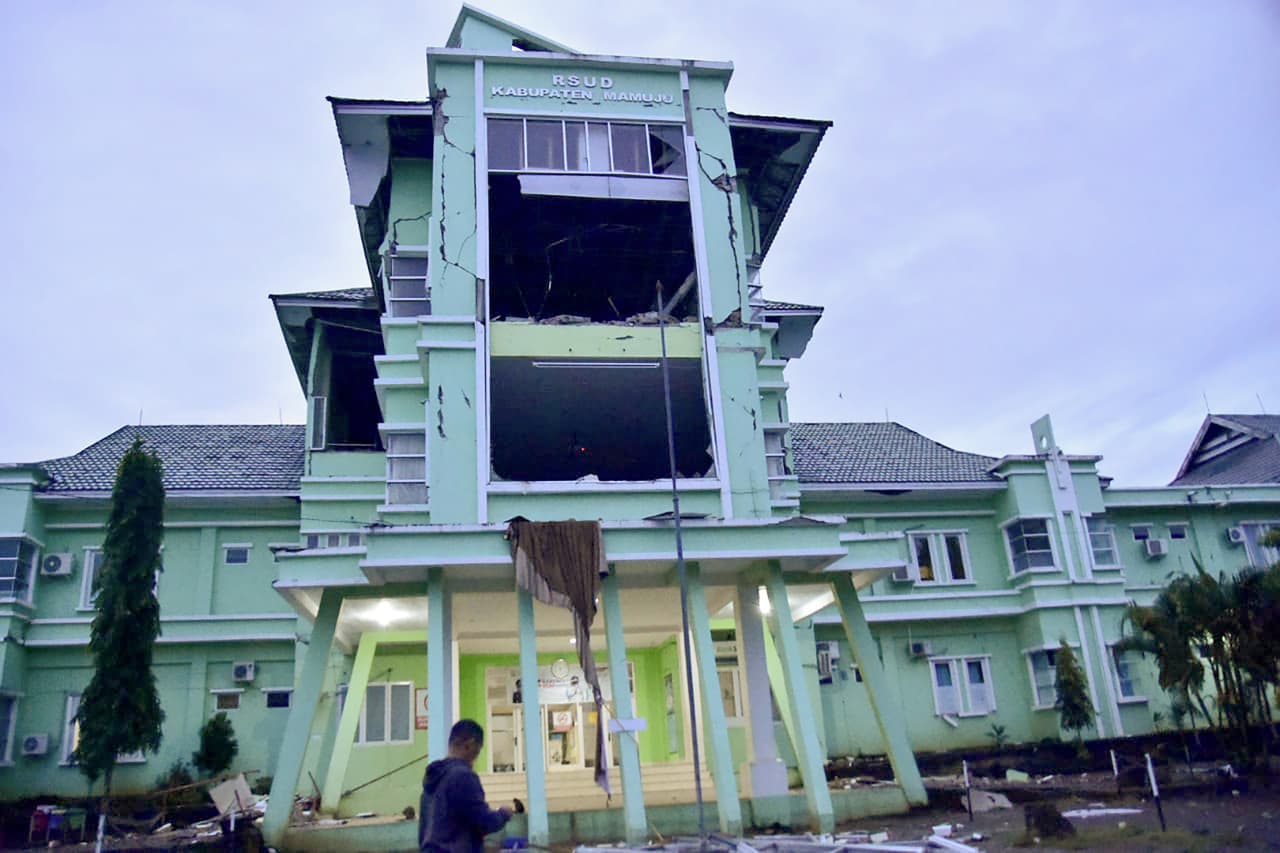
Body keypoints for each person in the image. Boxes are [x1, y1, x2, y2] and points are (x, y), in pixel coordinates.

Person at [419, 719, 512, 853]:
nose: (476, 758)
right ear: (470, 744)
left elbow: (423, 830)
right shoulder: (463, 777)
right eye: (478, 751)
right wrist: (503, 813)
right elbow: (483, 822)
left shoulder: (432, 778)